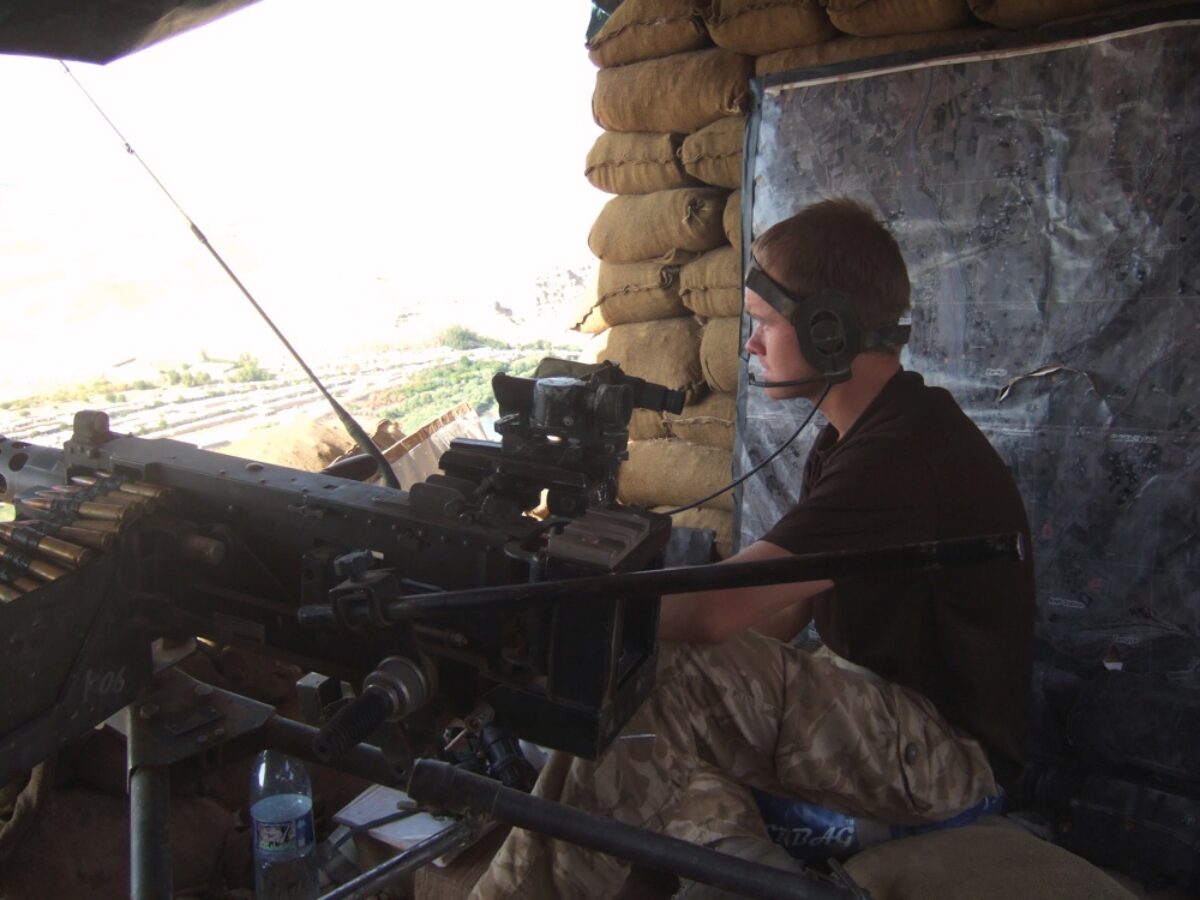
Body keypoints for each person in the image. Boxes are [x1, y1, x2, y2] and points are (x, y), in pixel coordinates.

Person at [471, 198, 1035, 898]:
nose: (749, 344)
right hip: (883, 711)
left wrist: (556, 597)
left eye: (764, 323)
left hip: (948, 755)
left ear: (829, 331)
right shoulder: (853, 440)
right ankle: (745, 867)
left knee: (667, 676)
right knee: (650, 728)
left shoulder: (903, 453)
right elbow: (775, 613)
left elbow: (714, 615)